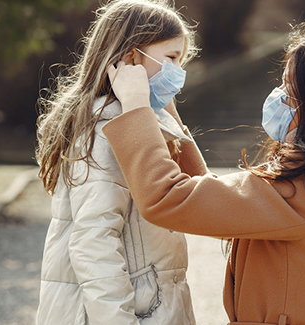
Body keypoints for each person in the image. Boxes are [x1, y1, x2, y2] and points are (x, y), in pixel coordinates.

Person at [104, 17, 305, 324]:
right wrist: (168, 113)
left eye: (287, 84)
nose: (279, 94)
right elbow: (213, 199)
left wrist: (136, 106)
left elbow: (167, 198)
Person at [35, 0, 202, 324]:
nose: (177, 72)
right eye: (170, 58)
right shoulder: (107, 131)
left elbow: (195, 195)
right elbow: (94, 245)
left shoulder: (137, 126)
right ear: (130, 58)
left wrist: (164, 112)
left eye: (181, 61)